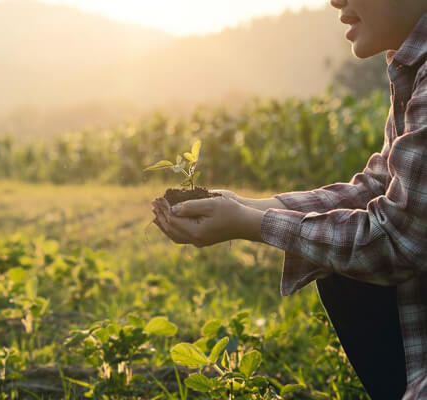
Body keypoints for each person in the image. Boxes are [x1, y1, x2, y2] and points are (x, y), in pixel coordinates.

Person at [151, 1, 427, 399]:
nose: (336, 0)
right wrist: (250, 205)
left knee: (343, 259)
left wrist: (250, 223)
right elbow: (380, 185)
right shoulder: (412, 67)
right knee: (338, 261)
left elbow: (399, 239)